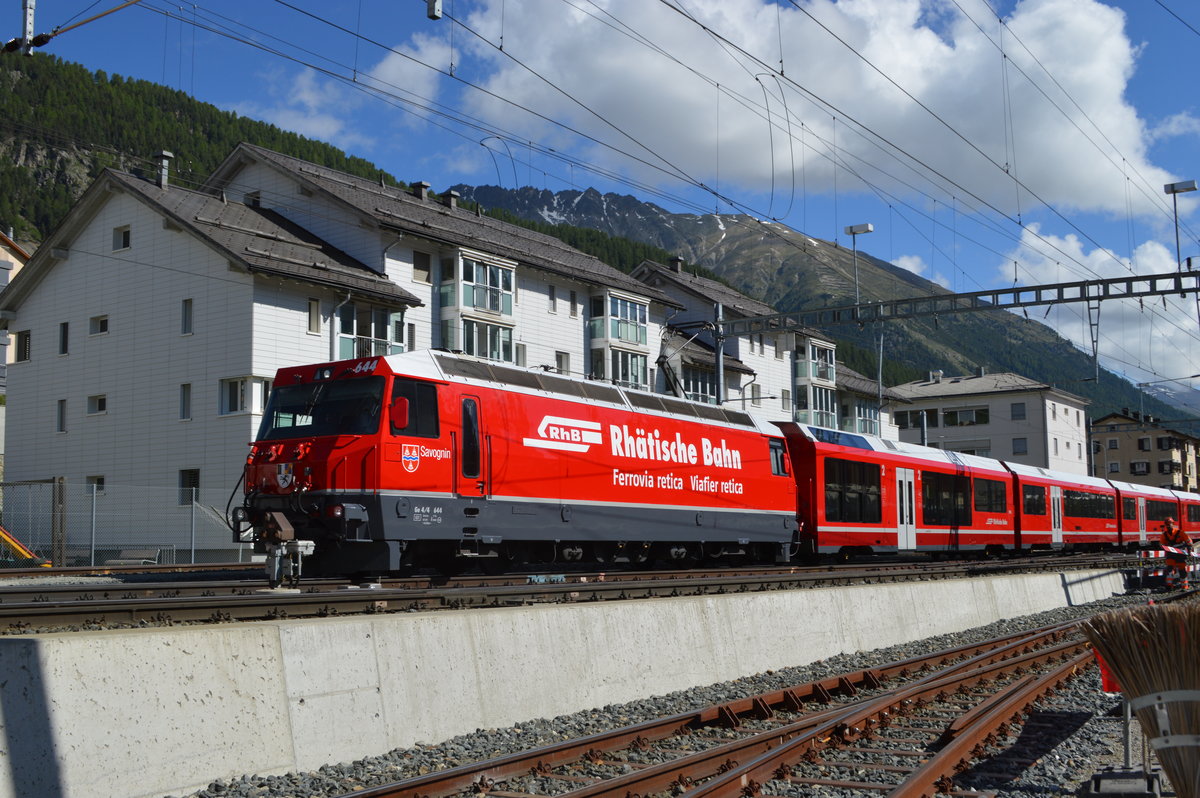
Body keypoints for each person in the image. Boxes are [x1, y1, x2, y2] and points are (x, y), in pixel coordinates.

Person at [1160, 517, 1194, 590]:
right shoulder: (1164, 535)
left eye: (1169, 524)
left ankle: (1184, 586)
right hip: (1171, 554)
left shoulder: (1180, 532)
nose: (1168, 526)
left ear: (1173, 524)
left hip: (1180, 554)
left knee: (1182, 570)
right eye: (1167, 524)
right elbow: (1162, 545)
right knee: (1169, 569)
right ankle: (1169, 586)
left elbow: (1189, 541)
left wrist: (1189, 548)